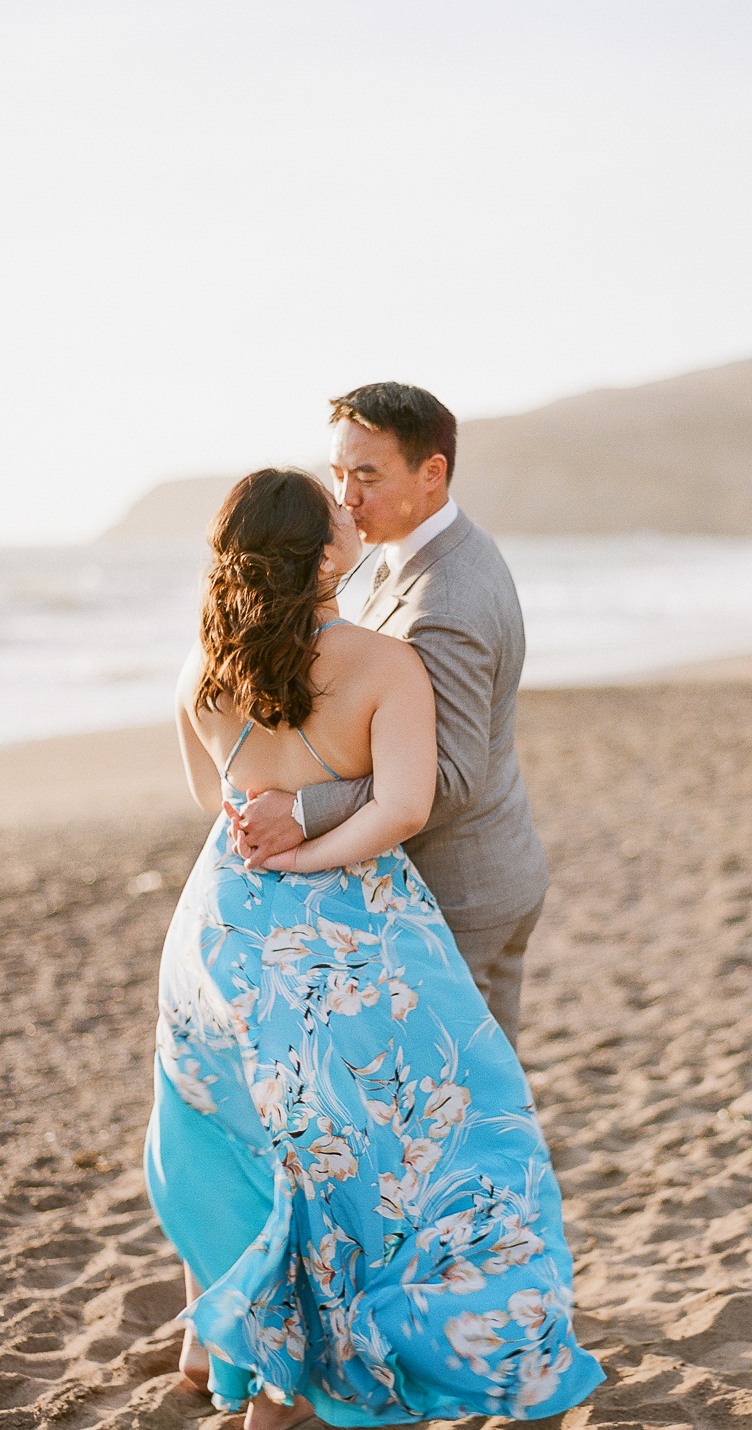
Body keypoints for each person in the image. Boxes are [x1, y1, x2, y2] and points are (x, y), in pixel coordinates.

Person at [145, 467, 603, 1430]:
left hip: (220, 926)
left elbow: (206, 802)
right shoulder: (383, 663)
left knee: (234, 1132)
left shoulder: (201, 667)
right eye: (334, 512)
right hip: (342, 930)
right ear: (323, 556)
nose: (351, 514)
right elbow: (404, 806)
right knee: (382, 1140)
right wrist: (310, 850)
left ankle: (214, 1350)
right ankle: (284, 1381)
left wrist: (270, 834)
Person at [230, 383, 549, 1049]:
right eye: (339, 473)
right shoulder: (424, 549)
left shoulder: (445, 603)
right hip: (493, 864)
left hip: (464, 891)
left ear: (432, 473)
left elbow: (451, 778)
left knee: (466, 1103)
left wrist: (300, 810)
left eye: (367, 476)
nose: (345, 499)